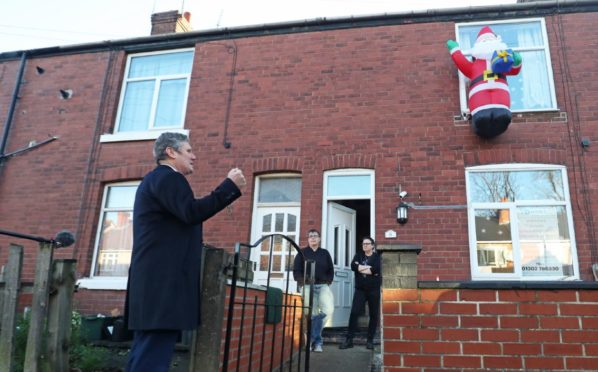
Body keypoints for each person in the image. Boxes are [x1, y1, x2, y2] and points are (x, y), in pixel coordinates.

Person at [125, 132, 246, 372]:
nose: (194, 156)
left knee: (144, 353)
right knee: (152, 358)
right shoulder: (169, 178)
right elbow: (191, 212)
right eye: (188, 151)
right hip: (162, 283)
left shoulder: (154, 180)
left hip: (152, 282)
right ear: (171, 152)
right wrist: (229, 187)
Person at [292, 229, 334, 353]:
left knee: (328, 310)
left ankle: (311, 338)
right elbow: (296, 271)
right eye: (310, 236)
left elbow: (331, 270)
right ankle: (318, 343)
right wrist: (303, 282)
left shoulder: (325, 253)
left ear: (319, 239)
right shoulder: (302, 253)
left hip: (322, 285)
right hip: (307, 285)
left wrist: (328, 281)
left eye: (315, 236)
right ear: (308, 239)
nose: (313, 238)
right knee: (311, 313)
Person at [339, 236, 381, 350]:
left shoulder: (377, 257)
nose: (365, 245)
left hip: (374, 290)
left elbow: (375, 269)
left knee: (373, 315)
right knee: (354, 313)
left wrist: (360, 267)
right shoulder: (358, 255)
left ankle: (370, 340)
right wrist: (367, 269)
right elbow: (353, 266)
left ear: (372, 245)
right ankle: (349, 340)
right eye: (363, 244)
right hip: (360, 289)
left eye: (367, 244)